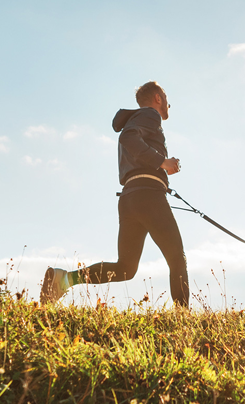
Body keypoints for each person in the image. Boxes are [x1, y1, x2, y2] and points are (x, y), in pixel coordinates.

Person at [40, 81, 190, 307]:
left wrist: (161, 168)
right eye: (166, 98)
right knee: (177, 258)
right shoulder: (150, 115)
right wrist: (162, 162)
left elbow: (130, 141)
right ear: (158, 98)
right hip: (148, 197)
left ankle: (64, 279)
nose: (169, 104)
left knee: (126, 268)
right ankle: (183, 319)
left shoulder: (137, 119)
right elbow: (128, 138)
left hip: (130, 198)